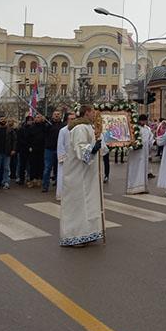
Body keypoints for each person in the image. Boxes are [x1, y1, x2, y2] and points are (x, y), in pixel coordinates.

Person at [59, 105, 107, 247]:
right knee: (77, 205)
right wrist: (92, 148)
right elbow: (80, 148)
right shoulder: (80, 128)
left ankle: (87, 233)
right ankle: (74, 235)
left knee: (88, 205)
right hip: (77, 174)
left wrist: (101, 144)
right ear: (87, 113)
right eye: (93, 112)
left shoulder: (90, 128)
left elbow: (101, 149)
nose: (95, 115)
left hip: (87, 174)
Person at [127, 114, 153, 195]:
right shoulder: (135, 128)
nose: (144, 122)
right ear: (140, 120)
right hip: (136, 153)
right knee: (135, 169)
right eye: (143, 121)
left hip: (144, 153)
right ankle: (133, 187)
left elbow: (150, 139)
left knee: (144, 170)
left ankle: (143, 187)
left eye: (145, 121)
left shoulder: (147, 129)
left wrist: (154, 142)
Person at [56, 111, 76, 201]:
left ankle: (71, 194)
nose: (73, 120)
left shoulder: (77, 130)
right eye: (71, 119)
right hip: (65, 158)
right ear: (67, 120)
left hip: (74, 158)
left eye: (74, 119)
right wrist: (63, 157)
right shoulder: (63, 130)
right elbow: (60, 145)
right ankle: (60, 194)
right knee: (62, 176)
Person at [0, 116, 15, 190]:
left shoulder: (10, 130)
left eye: (4, 119)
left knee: (6, 168)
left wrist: (13, 149)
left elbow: (14, 140)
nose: (3, 121)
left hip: (7, 152)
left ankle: (6, 182)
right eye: (1, 119)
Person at [43, 110, 62, 193]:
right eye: (55, 114)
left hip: (59, 149)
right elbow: (44, 131)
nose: (56, 116)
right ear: (53, 115)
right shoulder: (48, 124)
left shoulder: (62, 125)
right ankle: (45, 185)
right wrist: (47, 123)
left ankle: (59, 185)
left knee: (59, 168)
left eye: (58, 114)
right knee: (47, 168)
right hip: (49, 149)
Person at [28, 113, 48, 189]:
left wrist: (44, 121)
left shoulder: (44, 126)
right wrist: (29, 146)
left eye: (39, 117)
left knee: (41, 164)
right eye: (36, 117)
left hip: (42, 148)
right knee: (33, 164)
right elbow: (29, 138)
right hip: (33, 148)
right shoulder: (32, 127)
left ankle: (40, 178)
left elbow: (47, 130)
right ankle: (32, 179)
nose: (37, 119)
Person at [16, 116, 34, 185]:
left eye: (31, 120)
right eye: (29, 120)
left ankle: (29, 177)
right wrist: (27, 145)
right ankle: (21, 178)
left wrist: (31, 146)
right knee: (22, 165)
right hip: (23, 149)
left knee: (30, 165)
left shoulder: (33, 129)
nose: (30, 121)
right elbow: (19, 139)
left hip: (31, 149)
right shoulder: (21, 129)